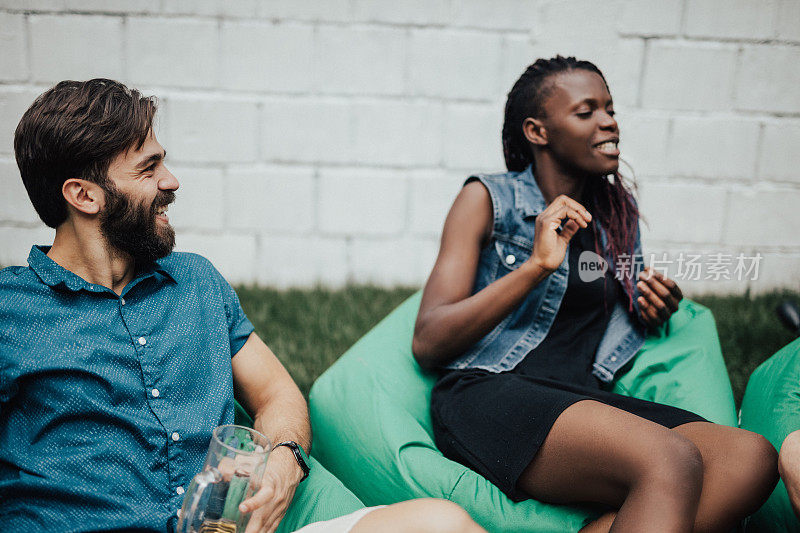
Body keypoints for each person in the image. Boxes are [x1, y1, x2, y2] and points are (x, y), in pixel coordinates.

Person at [0, 79, 485, 533]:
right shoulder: (11, 312)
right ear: (84, 195)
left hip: (230, 524)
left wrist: (284, 461)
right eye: (148, 169)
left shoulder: (195, 282)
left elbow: (277, 393)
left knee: (443, 521)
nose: (171, 181)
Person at [411, 56, 778, 533]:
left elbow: (606, 313)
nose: (610, 121)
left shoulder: (615, 216)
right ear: (537, 132)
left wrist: (651, 308)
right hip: (490, 391)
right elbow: (428, 340)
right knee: (671, 457)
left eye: (610, 108)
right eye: (587, 112)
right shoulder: (488, 199)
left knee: (750, 458)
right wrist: (536, 267)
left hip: (581, 399)